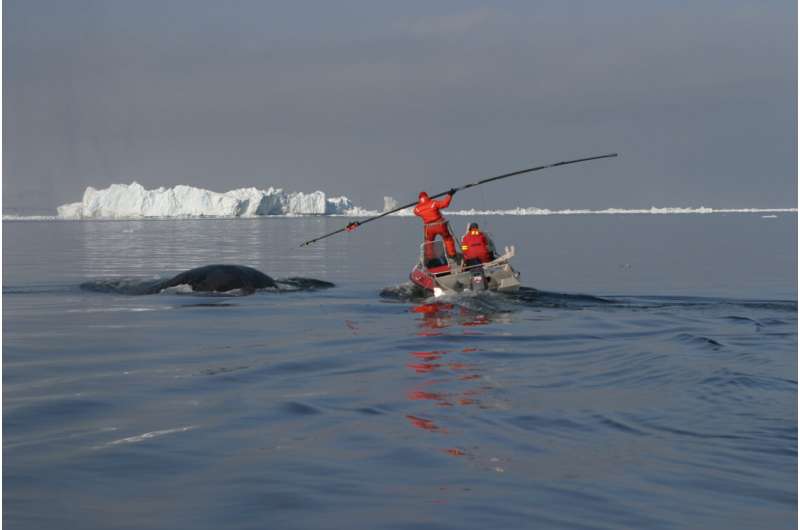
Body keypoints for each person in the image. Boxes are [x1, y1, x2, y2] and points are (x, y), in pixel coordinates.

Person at [414, 189, 458, 259]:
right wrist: (450, 195)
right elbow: (444, 204)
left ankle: (430, 258)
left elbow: (415, 212)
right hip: (440, 224)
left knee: (428, 242)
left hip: (429, 228)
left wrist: (419, 204)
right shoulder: (433, 203)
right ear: (427, 197)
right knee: (447, 238)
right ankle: (452, 254)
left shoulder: (417, 209)